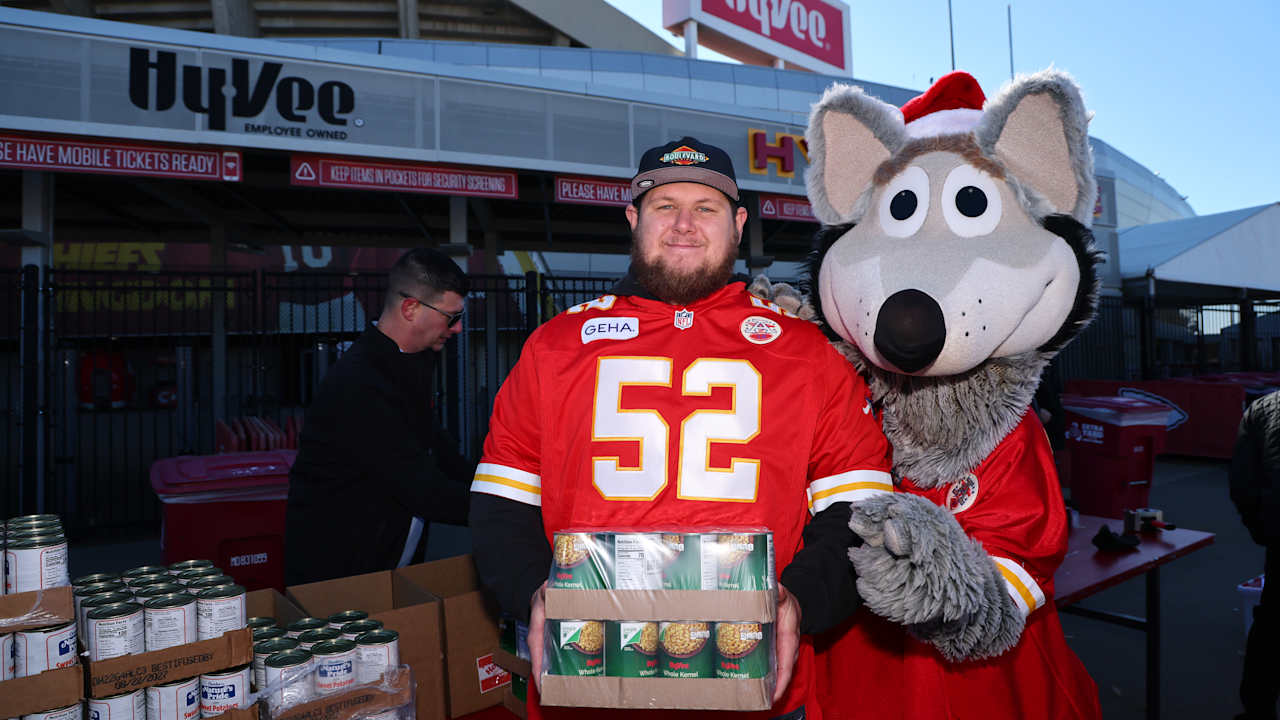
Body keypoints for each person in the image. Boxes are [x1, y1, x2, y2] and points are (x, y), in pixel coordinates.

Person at [469, 137, 894, 720]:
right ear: (633, 219)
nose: (684, 225)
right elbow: (502, 500)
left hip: (754, 689)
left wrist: (802, 599)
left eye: (707, 208)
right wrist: (531, 593)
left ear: (739, 222)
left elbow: (861, 507)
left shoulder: (807, 353)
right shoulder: (555, 347)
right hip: (591, 685)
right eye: (665, 205)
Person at [284, 247, 473, 586]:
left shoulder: (406, 364)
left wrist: (504, 488)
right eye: (452, 317)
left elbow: (443, 453)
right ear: (410, 308)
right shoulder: (360, 383)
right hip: (339, 584)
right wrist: (507, 511)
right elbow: (422, 489)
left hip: (384, 570)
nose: (457, 329)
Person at [1231, 388, 1280, 720]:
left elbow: (1242, 484)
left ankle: (1257, 711)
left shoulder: (1262, 407)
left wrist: (1263, 529)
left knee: (1272, 625)